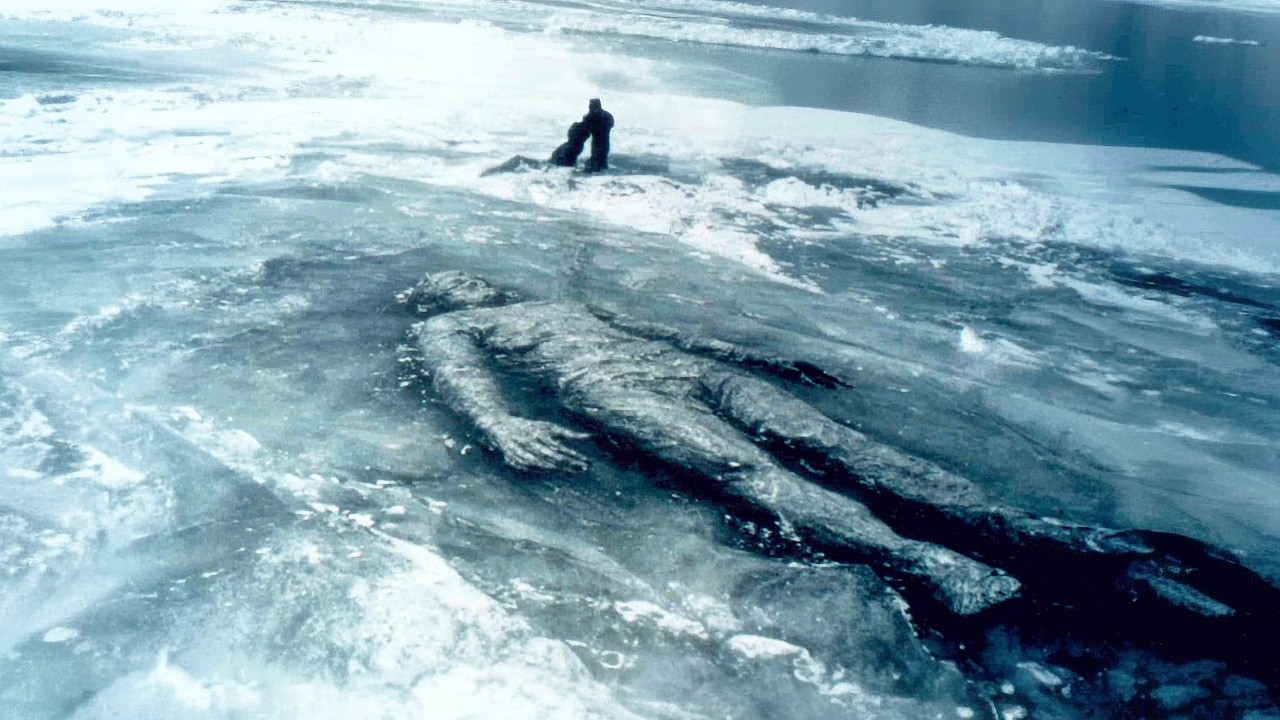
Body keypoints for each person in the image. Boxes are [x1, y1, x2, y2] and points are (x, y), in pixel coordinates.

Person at [397, 271, 1280, 659]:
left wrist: (769, 361)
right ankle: (921, 558)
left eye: (470, 279)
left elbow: (669, 334)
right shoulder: (449, 329)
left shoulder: (556, 300)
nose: (469, 285)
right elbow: (462, 379)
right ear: (444, 298)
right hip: (613, 393)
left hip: (688, 371)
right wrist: (500, 424)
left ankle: (1021, 530)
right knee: (747, 475)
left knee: (849, 447)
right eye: (453, 282)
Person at [581, 98, 613, 172]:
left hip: (602, 140)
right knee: (599, 159)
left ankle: (600, 177)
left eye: (591, 106)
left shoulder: (604, 116)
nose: (590, 108)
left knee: (601, 159)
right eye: (590, 106)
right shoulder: (607, 115)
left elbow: (585, 128)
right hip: (599, 140)